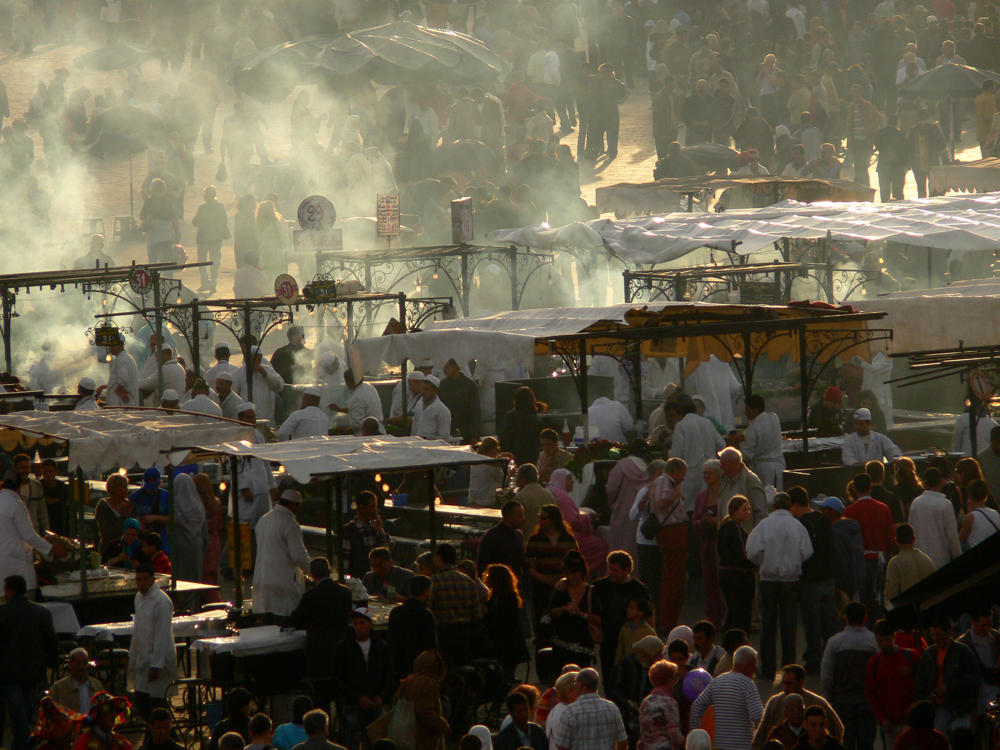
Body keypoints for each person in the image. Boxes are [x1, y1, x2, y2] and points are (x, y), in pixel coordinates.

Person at [747, 492, 814, 679]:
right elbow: (807, 551)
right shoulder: (797, 526)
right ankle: (789, 666)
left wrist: (765, 562)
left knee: (768, 624)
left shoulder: (764, 525)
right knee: (789, 624)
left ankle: (768, 667)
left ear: (773, 506)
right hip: (791, 580)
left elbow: (752, 551)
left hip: (768, 579)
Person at [0, 574, 58, 750]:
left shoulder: (2, 613)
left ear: (8, 590)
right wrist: (52, 663)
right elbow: (51, 641)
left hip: (8, 673)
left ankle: (23, 745)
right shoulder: (41, 612)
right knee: (27, 712)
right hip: (34, 671)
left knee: (19, 716)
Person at [288, 557, 353, 706]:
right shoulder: (345, 593)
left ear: (312, 575)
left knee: (321, 699)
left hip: (318, 657)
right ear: (330, 571)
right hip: (341, 654)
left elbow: (295, 620)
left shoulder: (310, 596)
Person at [788, 486, 838, 674]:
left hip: (810, 580)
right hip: (828, 578)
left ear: (794, 505)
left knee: (812, 625)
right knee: (829, 624)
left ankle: (814, 661)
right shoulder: (824, 519)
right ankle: (831, 658)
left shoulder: (801, 523)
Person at [334, 607, 395, 750]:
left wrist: (382, 696)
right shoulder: (343, 648)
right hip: (353, 704)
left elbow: (389, 674)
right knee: (353, 740)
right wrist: (358, 697)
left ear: (370, 624)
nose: (358, 627)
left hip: (375, 703)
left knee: (376, 740)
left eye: (361, 623)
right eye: (355, 624)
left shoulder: (382, 647)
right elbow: (338, 679)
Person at [820, 602, 878, 750]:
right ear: (865, 618)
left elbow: (827, 675)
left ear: (845, 618)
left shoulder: (835, 642)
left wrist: (828, 698)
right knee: (867, 743)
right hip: (867, 701)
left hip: (842, 701)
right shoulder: (874, 641)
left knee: (844, 743)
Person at [753, 665, 845, 750]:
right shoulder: (775, 703)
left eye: (789, 683)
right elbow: (761, 734)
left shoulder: (817, 703)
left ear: (801, 682)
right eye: (784, 683)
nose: (785, 687)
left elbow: (838, 729)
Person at [0, 469, 64, 591]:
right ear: (19, 487)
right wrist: (50, 548)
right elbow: (28, 535)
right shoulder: (16, 504)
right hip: (17, 566)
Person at [915, 618, 981, 735]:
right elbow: (921, 681)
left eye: (939, 634)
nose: (936, 638)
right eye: (933, 635)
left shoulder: (963, 652)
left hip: (961, 708)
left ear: (949, 632)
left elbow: (973, 681)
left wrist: (948, 688)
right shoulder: (929, 654)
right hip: (938, 709)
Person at [252, 488, 311, 618]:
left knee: (266, 624)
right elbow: (298, 555)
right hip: (282, 584)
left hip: (261, 581)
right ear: (293, 505)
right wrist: (313, 573)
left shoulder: (263, 520)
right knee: (283, 624)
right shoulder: (290, 523)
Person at [691, 646, 764, 750]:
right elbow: (758, 716)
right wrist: (759, 741)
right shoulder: (747, 684)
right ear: (749, 665)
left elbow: (696, 707)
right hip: (742, 746)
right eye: (754, 666)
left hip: (719, 745)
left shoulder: (718, 681)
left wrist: (696, 733)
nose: (755, 670)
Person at [843, 473, 895, 619]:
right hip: (880, 558)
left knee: (861, 600)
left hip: (859, 560)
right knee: (878, 599)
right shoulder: (883, 508)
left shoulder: (849, 511)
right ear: (870, 487)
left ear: (854, 488)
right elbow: (890, 537)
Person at [129, 564, 177, 719]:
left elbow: (162, 635)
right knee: (142, 701)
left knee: (156, 704)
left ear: (152, 580)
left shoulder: (162, 601)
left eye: (145, 579)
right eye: (138, 579)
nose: (141, 583)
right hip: (143, 657)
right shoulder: (138, 598)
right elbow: (139, 630)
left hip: (158, 659)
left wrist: (156, 664)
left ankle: (167, 737)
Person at [593, 551, 651, 679]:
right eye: (610, 569)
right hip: (608, 641)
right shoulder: (600, 586)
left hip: (630, 641)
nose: (611, 573)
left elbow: (649, 616)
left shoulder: (639, 590)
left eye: (615, 570)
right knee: (608, 677)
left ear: (627, 570)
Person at [646, 457, 687, 631]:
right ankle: (667, 621)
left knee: (674, 578)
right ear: (676, 471)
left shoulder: (664, 482)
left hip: (675, 532)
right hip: (672, 532)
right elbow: (661, 503)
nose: (683, 478)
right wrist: (676, 494)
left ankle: (669, 620)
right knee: (673, 578)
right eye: (682, 474)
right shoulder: (665, 482)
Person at [866, 619, 920, 750]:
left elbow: (922, 686)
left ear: (894, 636)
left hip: (912, 721)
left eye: (887, 639)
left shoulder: (912, 657)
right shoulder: (874, 663)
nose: (884, 644)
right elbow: (871, 693)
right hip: (889, 724)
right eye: (881, 640)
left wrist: (917, 706)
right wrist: (882, 719)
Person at [428, 543, 481, 667]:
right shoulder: (468, 580)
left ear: (439, 557)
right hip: (464, 635)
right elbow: (477, 613)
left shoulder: (434, 581)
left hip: (442, 635)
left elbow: (429, 610)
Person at [550, 551, 602, 670]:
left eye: (574, 573)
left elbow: (597, 619)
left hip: (583, 645)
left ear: (582, 572)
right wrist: (564, 609)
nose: (571, 577)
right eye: (568, 573)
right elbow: (551, 612)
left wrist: (580, 614)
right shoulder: (560, 588)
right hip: (561, 644)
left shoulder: (590, 592)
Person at [552, 667, 627, 750]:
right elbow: (622, 741)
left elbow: (562, 746)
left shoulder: (570, 712)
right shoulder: (612, 708)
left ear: (580, 685)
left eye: (575, 684)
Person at [670, 395, 725, 506]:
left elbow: (675, 456)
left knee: (690, 508)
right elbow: (722, 445)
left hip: (689, 476)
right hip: (711, 473)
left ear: (679, 412)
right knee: (708, 506)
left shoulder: (681, 426)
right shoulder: (707, 423)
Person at [908, 467, 962, 568]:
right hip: (941, 557)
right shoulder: (945, 504)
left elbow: (911, 530)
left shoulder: (916, 503)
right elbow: (952, 536)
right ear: (941, 481)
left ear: (925, 483)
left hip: (920, 558)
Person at [716, 495, 755, 634]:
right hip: (737, 575)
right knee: (740, 613)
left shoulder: (724, 526)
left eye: (749, 509)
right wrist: (754, 566)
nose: (748, 513)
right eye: (744, 510)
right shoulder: (735, 528)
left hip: (726, 573)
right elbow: (742, 554)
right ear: (734, 511)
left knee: (733, 611)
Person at [607, 444, 651, 561]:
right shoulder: (648, 468)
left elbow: (611, 488)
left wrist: (612, 502)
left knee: (621, 543)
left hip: (622, 509)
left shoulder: (621, 465)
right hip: (641, 510)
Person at [387, 574, 437, 676]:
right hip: (419, 668)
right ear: (426, 592)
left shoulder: (396, 612)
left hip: (399, 666)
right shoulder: (426, 614)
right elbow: (431, 645)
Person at [738, 395, 786, 490]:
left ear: (755, 410)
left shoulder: (752, 429)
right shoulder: (774, 418)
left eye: (747, 409)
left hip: (763, 469)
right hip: (780, 465)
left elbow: (746, 455)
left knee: (764, 497)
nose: (745, 413)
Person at [882, 524, 935, 609]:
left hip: (907, 615)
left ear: (896, 541)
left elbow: (890, 595)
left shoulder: (895, 563)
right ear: (914, 539)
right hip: (928, 613)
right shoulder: (927, 560)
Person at [636, 659, 685, 750]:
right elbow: (674, 734)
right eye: (675, 679)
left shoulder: (646, 702)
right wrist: (686, 744)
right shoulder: (669, 702)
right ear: (670, 680)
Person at [344, 491, 392, 579]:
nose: (375, 510)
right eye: (372, 507)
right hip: (360, 578)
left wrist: (380, 531)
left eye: (376, 506)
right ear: (362, 508)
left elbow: (387, 550)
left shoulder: (375, 528)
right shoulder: (350, 530)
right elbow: (345, 560)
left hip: (377, 578)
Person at [171, 472, 206, 593]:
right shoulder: (199, 506)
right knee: (196, 583)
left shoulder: (173, 506)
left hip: (179, 549)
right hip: (197, 547)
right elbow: (205, 535)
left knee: (180, 583)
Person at [232, 346, 284, 425]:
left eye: (258, 359)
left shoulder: (268, 370)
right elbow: (234, 396)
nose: (256, 362)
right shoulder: (238, 374)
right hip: (246, 420)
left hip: (266, 419)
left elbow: (279, 386)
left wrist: (265, 374)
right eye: (254, 359)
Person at [192, 184, 229, 292]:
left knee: (202, 262)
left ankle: (205, 282)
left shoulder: (202, 208)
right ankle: (213, 283)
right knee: (215, 261)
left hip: (203, 238)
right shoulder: (220, 207)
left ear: (205, 196)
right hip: (216, 238)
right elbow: (225, 221)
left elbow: (195, 222)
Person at [719, 447, 767, 528]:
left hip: (745, 534)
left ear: (734, 463)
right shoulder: (724, 481)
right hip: (728, 533)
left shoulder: (751, 482)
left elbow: (761, 513)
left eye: (724, 464)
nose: (721, 467)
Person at [477, 500, 526, 576]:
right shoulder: (492, 536)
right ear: (508, 517)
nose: (523, 519)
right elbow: (482, 565)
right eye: (520, 516)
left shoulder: (519, 535)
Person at [50, 647, 105, 715]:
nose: (82, 667)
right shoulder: (58, 688)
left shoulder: (97, 685)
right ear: (70, 664)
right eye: (78, 663)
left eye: (84, 663)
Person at [438, 358, 481, 443]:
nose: (444, 370)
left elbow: (475, 411)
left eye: (447, 367)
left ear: (455, 367)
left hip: (465, 433)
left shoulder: (469, 385)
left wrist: (474, 434)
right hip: (447, 431)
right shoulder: (443, 385)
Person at [331, 369, 384, 435]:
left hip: (367, 434)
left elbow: (357, 423)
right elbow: (361, 408)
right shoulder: (369, 387)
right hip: (379, 430)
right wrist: (340, 409)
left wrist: (346, 427)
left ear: (349, 382)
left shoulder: (356, 397)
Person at [130, 467, 170, 552]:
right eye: (149, 487)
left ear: (160, 483)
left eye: (154, 487)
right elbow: (128, 518)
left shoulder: (166, 497)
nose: (151, 490)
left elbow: (173, 520)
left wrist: (155, 518)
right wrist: (138, 526)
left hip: (162, 542)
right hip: (141, 542)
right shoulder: (135, 497)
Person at [501, 386, 543, 466]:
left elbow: (504, 438)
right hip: (534, 456)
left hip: (516, 457)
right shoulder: (537, 418)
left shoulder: (511, 417)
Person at [959, 479, 1000, 548]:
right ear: (986, 495)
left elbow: (962, 539)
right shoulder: (995, 513)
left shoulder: (970, 517)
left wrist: (969, 511)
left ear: (970, 495)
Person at [412, 375, 452, 440]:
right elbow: (414, 427)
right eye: (422, 388)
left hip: (432, 447)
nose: (423, 392)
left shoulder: (442, 410)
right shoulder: (418, 405)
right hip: (417, 444)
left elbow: (444, 436)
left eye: (426, 389)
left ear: (435, 391)